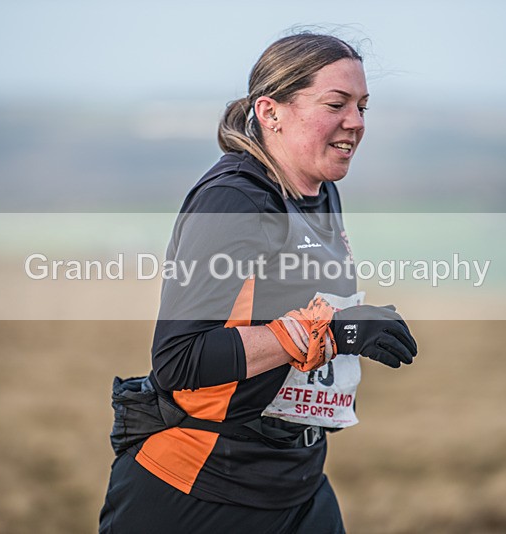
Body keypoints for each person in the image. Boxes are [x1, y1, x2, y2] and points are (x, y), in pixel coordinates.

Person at [99, 32, 417, 534]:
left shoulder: (321, 191)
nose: (355, 122)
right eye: (336, 103)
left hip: (298, 480)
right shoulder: (233, 200)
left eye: (362, 106)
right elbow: (180, 359)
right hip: (201, 485)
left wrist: (348, 325)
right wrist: (338, 332)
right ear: (270, 112)